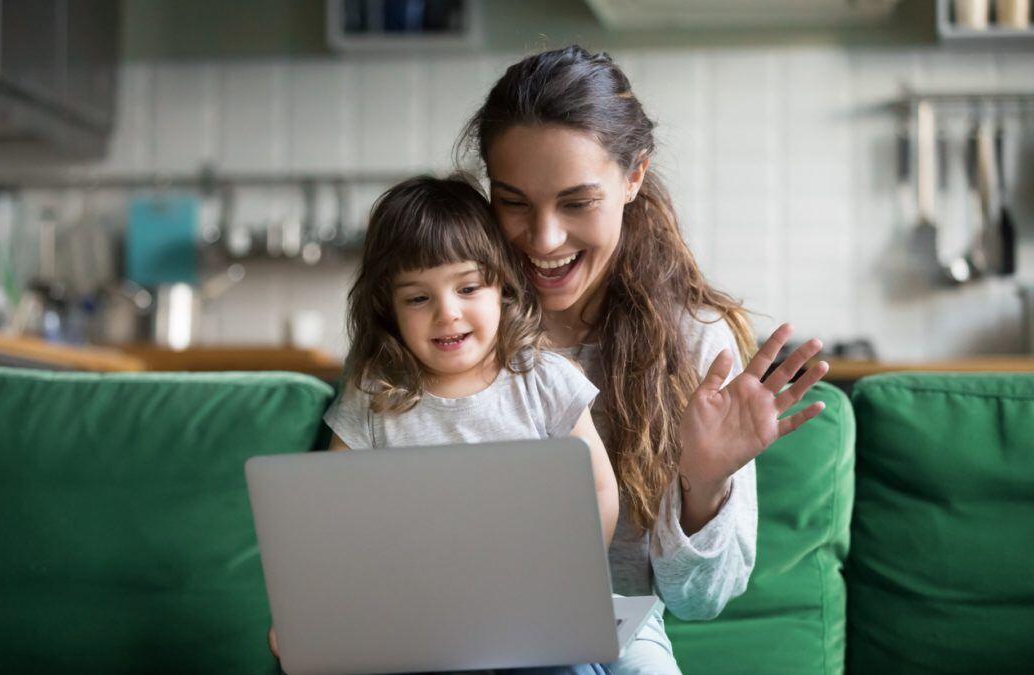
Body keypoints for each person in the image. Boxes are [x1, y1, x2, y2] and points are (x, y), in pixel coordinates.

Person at [454, 45, 830, 673]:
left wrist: (702, 482)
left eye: (577, 202)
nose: (544, 239)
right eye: (514, 201)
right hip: (459, 637)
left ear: (633, 177)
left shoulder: (694, 344)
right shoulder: (449, 326)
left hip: (612, 644)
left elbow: (701, 602)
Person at [269, 174, 620, 674]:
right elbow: (336, 519)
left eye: (469, 287)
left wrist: (569, 579)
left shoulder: (543, 379)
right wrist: (311, 614)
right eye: (417, 298)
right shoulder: (375, 396)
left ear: (501, 286)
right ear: (388, 310)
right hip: (417, 621)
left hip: (532, 616)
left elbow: (602, 490)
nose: (447, 313)